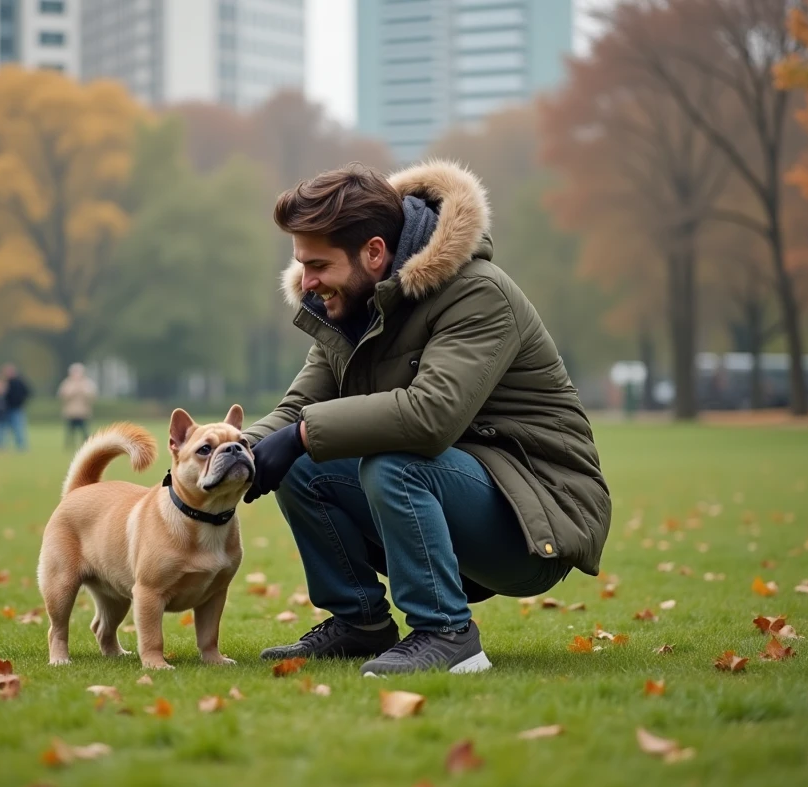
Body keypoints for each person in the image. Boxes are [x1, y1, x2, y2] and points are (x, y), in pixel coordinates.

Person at [241, 162, 611, 676]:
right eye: (303, 265)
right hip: (458, 489)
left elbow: (430, 417)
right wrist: (226, 456)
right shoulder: (353, 305)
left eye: (319, 265)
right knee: (301, 465)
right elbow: (295, 411)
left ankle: (448, 634)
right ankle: (359, 623)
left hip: (535, 515)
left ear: (374, 252)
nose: (308, 282)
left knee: (391, 463)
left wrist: (301, 435)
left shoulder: (479, 293)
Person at [57, 362, 97, 449]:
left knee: (85, 431)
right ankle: (69, 446)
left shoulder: (87, 383)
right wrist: (73, 390)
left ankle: (88, 445)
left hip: (83, 412)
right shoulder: (67, 383)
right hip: (71, 412)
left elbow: (92, 396)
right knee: (70, 431)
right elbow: (62, 396)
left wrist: (83, 391)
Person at [0, 363, 31, 451]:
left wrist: (21, 402)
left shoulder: (19, 382)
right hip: (5, 410)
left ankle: (21, 447)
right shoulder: (4, 383)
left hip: (16, 408)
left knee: (18, 428)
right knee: (3, 429)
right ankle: (2, 447)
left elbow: (27, 392)